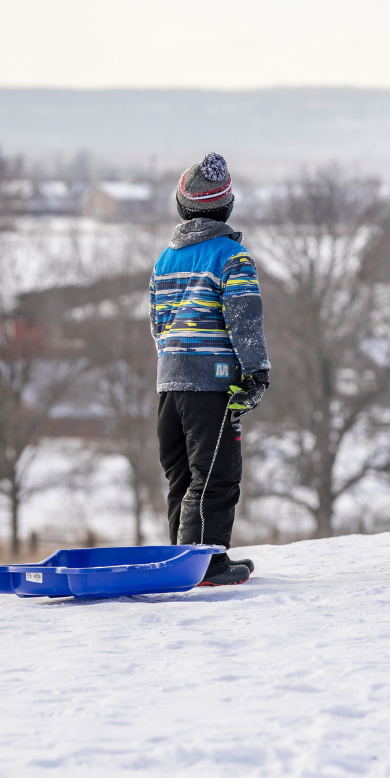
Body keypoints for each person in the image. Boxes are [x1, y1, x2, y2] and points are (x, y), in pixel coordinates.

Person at [150, 152, 270, 586]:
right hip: (211, 382)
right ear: (227, 207)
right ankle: (207, 564)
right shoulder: (232, 256)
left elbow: (157, 324)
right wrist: (255, 373)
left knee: (181, 476)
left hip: (169, 384)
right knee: (215, 473)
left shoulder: (164, 259)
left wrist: (173, 363)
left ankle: (180, 560)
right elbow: (244, 320)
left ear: (183, 208)